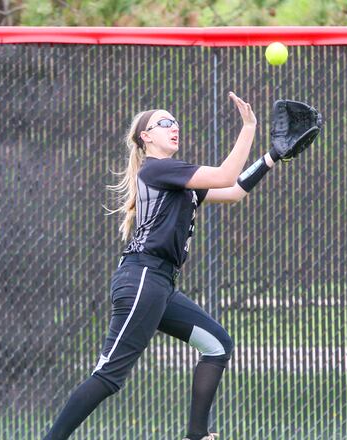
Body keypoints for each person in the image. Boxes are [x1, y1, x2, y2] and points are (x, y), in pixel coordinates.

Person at [45, 92, 278, 440]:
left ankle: (197, 435)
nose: (174, 127)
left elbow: (233, 190)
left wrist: (272, 156)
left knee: (218, 345)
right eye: (164, 123)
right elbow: (225, 174)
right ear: (146, 137)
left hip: (160, 284)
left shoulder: (177, 180)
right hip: (142, 277)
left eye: (175, 122)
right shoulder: (158, 169)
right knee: (108, 376)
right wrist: (249, 127)